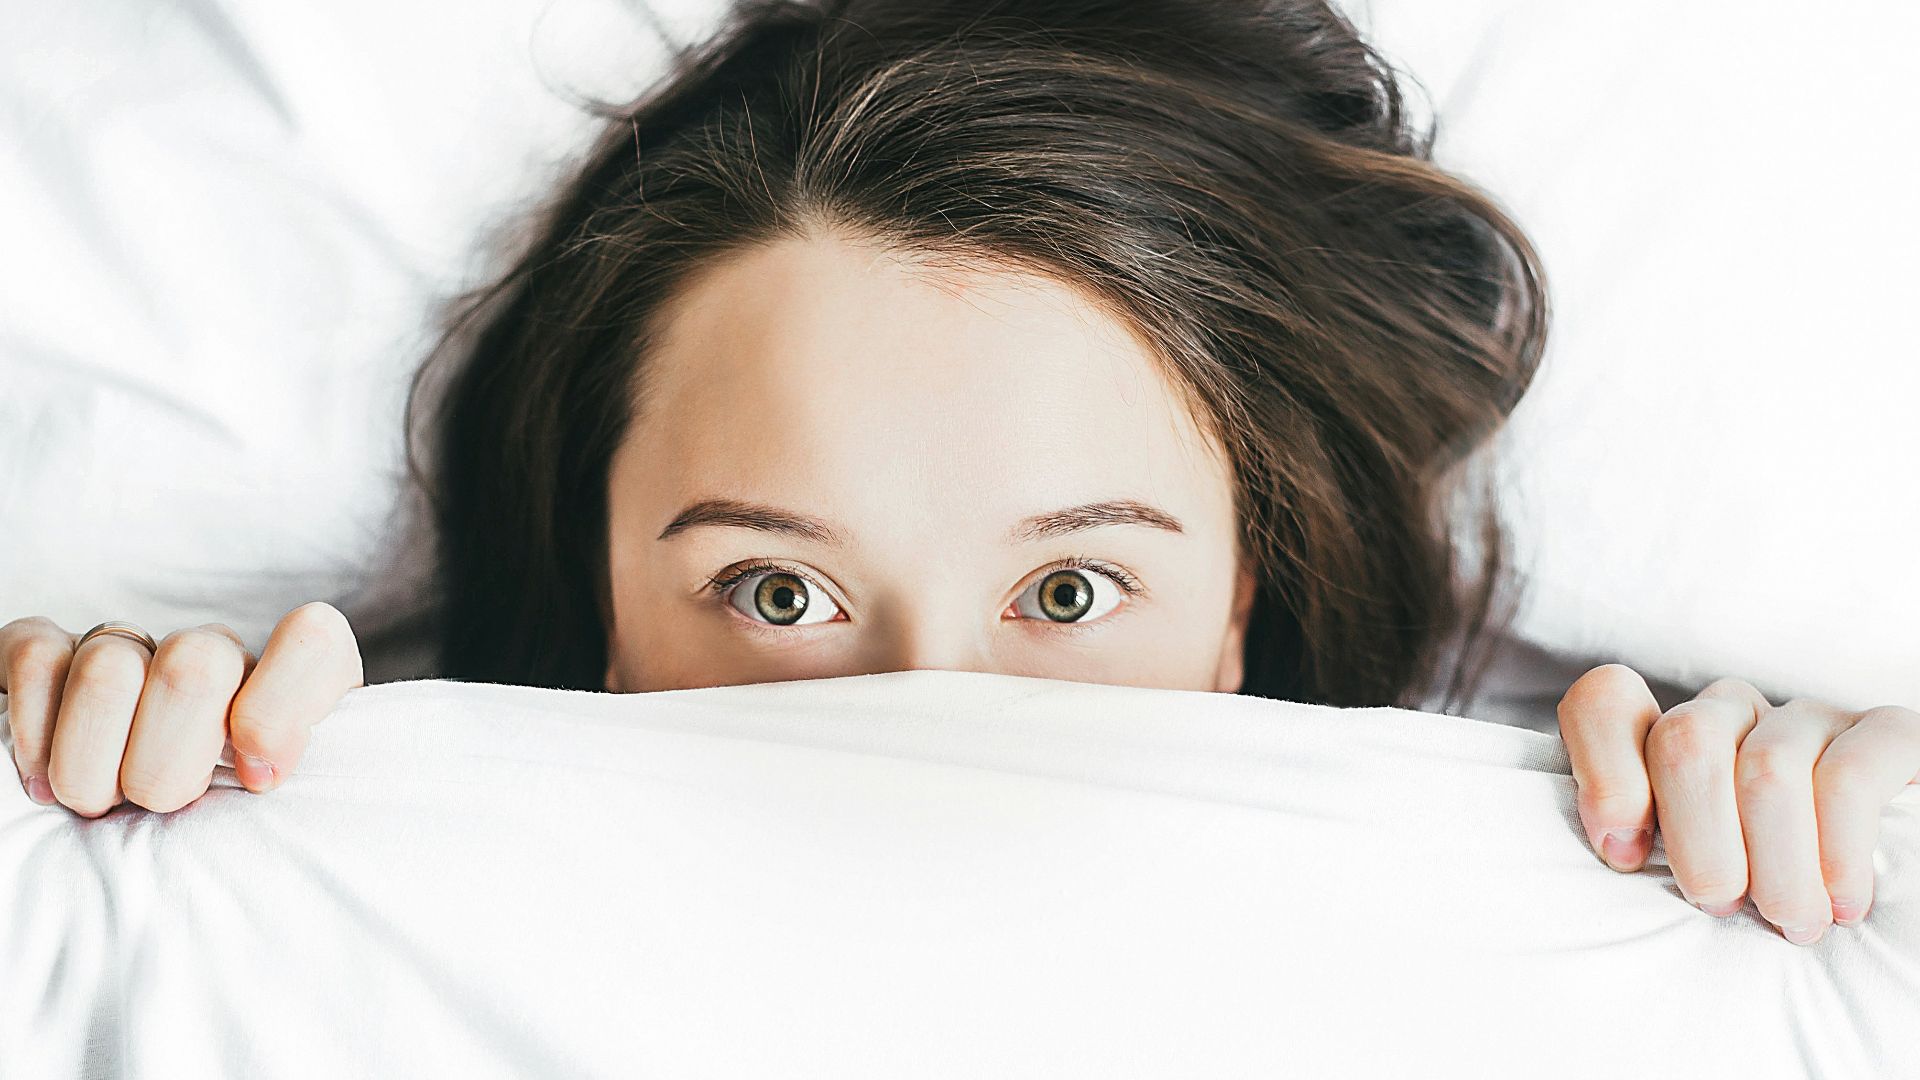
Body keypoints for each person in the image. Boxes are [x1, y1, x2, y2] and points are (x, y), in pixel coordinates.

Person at [2, 0, 1913, 950]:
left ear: (1241, 604)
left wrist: (1855, 838)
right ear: (595, 605)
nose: (928, 727)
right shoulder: (323, 890)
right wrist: (101, 778)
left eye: (1070, 594)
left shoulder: (1585, 898)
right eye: (778, 593)